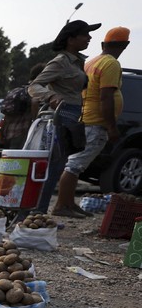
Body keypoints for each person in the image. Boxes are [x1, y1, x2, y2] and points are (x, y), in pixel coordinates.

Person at [52, 26, 130, 217]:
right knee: (75, 165)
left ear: (104, 44)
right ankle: (62, 206)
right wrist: (111, 127)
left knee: (75, 164)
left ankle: (69, 204)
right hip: (95, 122)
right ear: (126, 45)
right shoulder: (110, 63)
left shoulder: (92, 61)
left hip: (85, 119)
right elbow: (106, 97)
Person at [28, 19, 100, 214]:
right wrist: (51, 96)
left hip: (73, 117)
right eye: (85, 34)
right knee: (52, 168)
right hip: (60, 118)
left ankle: (40, 212)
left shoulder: (78, 62)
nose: (89, 38)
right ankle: (38, 212)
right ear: (71, 39)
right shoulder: (60, 62)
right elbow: (34, 86)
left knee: (58, 166)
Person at [0, 63, 44, 155]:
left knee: (9, 158)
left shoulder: (17, 91)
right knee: (18, 159)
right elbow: (35, 102)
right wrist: (35, 121)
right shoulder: (35, 90)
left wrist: (1, 133)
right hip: (21, 132)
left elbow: (6, 115)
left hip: (8, 132)